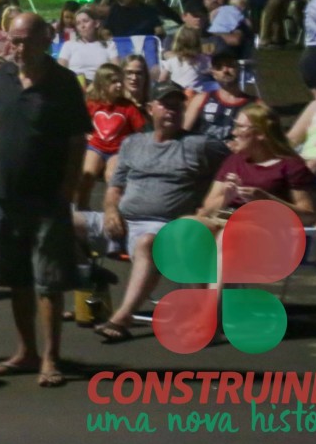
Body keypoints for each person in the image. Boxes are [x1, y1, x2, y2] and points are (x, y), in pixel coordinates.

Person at [0, 12, 89, 388]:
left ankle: (50, 357)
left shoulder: (63, 83)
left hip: (46, 199)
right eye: (14, 40)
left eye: (26, 40)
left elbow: (77, 142)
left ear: (46, 39)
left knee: (49, 282)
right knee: (17, 279)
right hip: (5, 196)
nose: (19, 48)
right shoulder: (3, 76)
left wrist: (68, 191)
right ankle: (25, 351)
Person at [83, 86, 227, 344]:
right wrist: (110, 210)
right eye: (165, 104)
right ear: (150, 109)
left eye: (177, 106)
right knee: (59, 221)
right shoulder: (133, 143)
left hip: (164, 227)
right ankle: (87, 277)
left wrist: (211, 204)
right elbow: (114, 188)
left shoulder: (199, 145)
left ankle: (122, 318)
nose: (172, 110)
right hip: (119, 221)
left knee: (148, 241)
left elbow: (239, 163)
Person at [196, 103, 316, 231]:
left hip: (270, 226)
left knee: (228, 230)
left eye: (241, 127)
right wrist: (226, 197)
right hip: (232, 216)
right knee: (189, 224)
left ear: (261, 133)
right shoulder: (234, 160)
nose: (234, 132)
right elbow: (208, 209)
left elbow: (308, 217)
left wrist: (266, 199)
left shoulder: (291, 165)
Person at [80, 65, 146, 209]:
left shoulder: (127, 107)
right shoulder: (93, 104)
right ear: (102, 84)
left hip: (117, 150)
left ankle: (112, 210)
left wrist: (133, 145)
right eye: (114, 82)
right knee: (87, 174)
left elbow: (140, 130)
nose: (119, 85)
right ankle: (82, 207)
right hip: (96, 146)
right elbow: (81, 123)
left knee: (112, 176)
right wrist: (86, 135)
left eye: (120, 82)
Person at [188, 50, 253, 141]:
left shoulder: (254, 105)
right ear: (213, 73)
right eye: (219, 67)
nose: (225, 70)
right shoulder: (201, 99)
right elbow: (184, 131)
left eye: (230, 65)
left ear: (238, 69)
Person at [56, 8, 117, 81]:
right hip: (76, 85)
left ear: (96, 23)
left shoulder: (109, 45)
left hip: (101, 86)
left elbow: (116, 71)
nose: (82, 26)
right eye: (78, 23)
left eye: (85, 21)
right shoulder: (69, 45)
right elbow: (59, 71)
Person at [158, 25, 211, 92]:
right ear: (197, 43)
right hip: (196, 94)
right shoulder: (204, 59)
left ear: (176, 43)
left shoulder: (172, 60)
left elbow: (162, 79)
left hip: (178, 94)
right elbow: (213, 72)